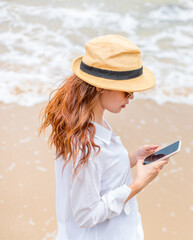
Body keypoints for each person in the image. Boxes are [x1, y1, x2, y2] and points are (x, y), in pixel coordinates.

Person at [39, 35, 169, 240]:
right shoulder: (85, 144)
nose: (132, 96)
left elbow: (99, 176)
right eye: (127, 90)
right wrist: (138, 184)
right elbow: (87, 215)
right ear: (100, 86)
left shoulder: (90, 125)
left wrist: (133, 158)